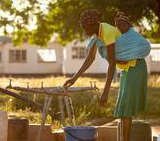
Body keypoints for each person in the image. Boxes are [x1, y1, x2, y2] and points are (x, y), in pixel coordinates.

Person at [63, 9, 149, 141]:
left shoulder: (107, 32)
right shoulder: (97, 36)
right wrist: (74, 78)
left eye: (85, 27)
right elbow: (89, 59)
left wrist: (105, 92)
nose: (84, 30)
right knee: (123, 108)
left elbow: (112, 63)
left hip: (135, 66)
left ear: (93, 24)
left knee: (125, 108)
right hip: (127, 69)